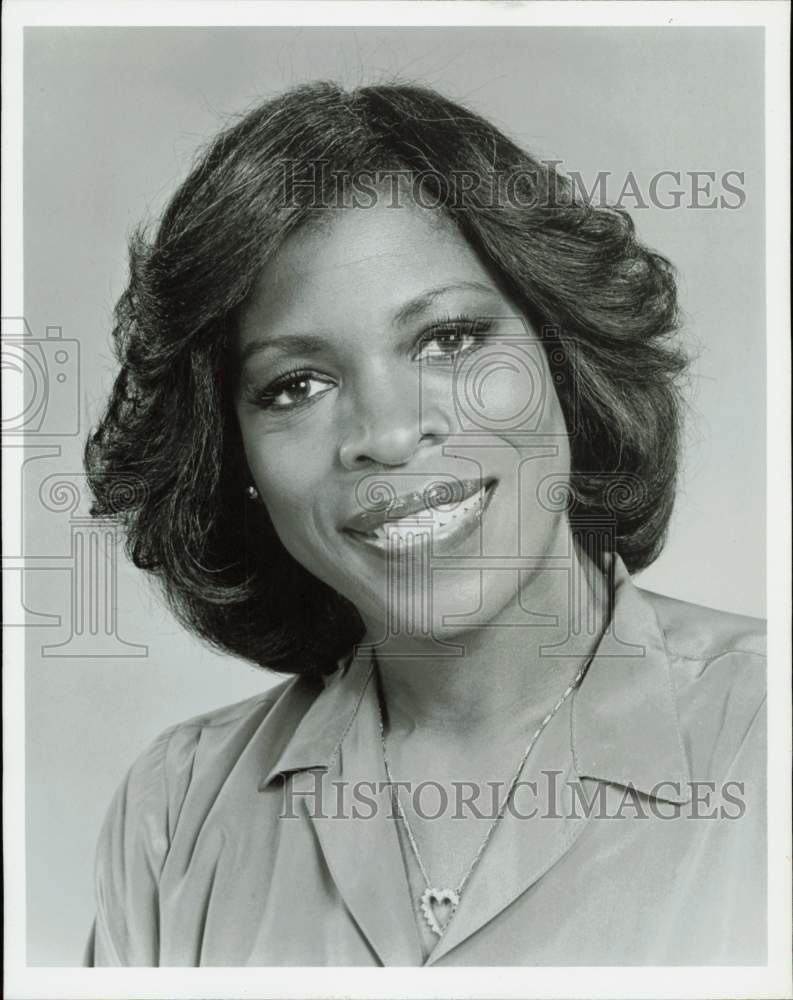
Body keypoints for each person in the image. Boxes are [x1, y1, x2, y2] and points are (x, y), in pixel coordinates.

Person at [83, 82, 766, 967]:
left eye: (446, 340)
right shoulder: (174, 816)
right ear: (235, 460)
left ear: (563, 353)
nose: (390, 433)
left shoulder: (762, 735)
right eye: (297, 384)